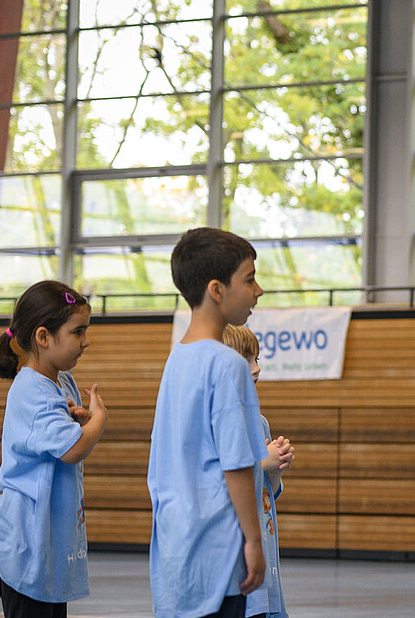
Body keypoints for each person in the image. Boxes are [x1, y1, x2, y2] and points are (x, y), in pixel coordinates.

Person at [148, 227, 269, 618]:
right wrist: (253, 539)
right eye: (249, 280)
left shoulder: (176, 359)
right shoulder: (227, 364)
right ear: (216, 290)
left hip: (176, 547)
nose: (258, 290)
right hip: (217, 547)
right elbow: (235, 465)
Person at [0, 280, 108, 618]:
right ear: (43, 337)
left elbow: (63, 431)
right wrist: (99, 419)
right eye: (77, 332)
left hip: (44, 545)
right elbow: (73, 449)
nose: (86, 341)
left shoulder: (60, 379)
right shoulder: (32, 389)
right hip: (24, 547)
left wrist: (78, 418)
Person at [219, 325, 296, 618]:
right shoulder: (220, 421)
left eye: (258, 359)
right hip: (237, 557)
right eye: (248, 360)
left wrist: (277, 466)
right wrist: (263, 461)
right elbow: (222, 480)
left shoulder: (259, 421)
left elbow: (267, 492)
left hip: (266, 550)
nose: (256, 368)